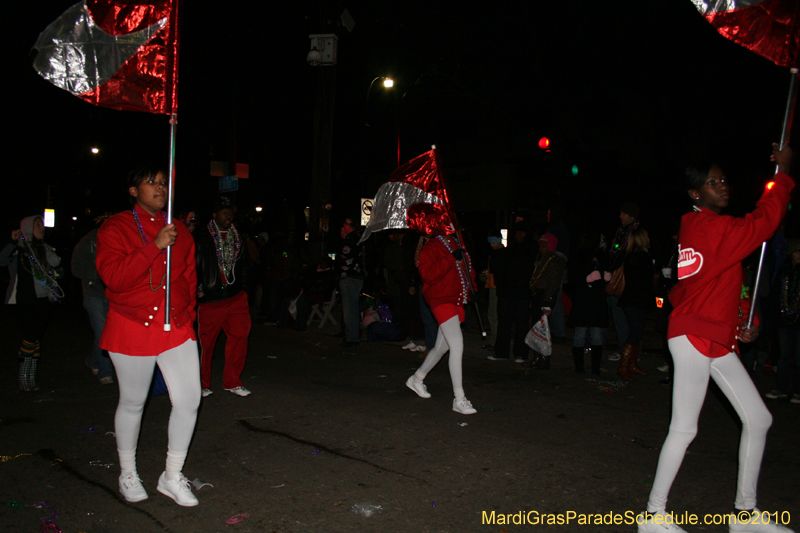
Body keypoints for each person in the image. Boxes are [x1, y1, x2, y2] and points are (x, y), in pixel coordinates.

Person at [636, 144, 795, 533]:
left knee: (758, 419)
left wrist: (745, 321)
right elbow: (762, 224)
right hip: (693, 334)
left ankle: (745, 514)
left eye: (723, 180)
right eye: (712, 182)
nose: (722, 186)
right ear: (695, 193)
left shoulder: (709, 231)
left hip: (712, 336)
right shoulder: (706, 227)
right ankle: (653, 515)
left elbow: (722, 285)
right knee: (685, 427)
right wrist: (783, 176)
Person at [96, 166, 201, 507]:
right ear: (132, 190)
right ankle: (128, 472)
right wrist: (155, 246)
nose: (159, 188)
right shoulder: (116, 227)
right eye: (151, 182)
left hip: (176, 325)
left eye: (163, 182)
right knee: (133, 401)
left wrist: (186, 314)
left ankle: (171, 475)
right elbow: (114, 278)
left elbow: (188, 278)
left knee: (189, 399)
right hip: (132, 324)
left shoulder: (181, 229)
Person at [405, 232, 478, 414]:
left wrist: (472, 289)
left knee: (441, 348)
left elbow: (467, 272)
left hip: (456, 301)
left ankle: (416, 378)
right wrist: (450, 258)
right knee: (457, 345)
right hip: (441, 300)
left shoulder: (457, 243)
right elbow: (428, 274)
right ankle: (459, 398)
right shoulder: (431, 247)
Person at [195, 196, 252, 398]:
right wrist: (199, 291)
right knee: (205, 344)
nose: (228, 216)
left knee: (239, 337)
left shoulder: (237, 236)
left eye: (230, 212)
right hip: (210, 300)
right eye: (224, 212)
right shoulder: (201, 236)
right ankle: (201, 384)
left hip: (236, 298)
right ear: (214, 215)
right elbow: (193, 267)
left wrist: (243, 289)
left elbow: (245, 264)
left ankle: (232, 381)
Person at [1, 215, 64, 391]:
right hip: (24, 299)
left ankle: (31, 377)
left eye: (42, 224)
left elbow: (57, 267)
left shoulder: (43, 249)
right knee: (30, 336)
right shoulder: (19, 250)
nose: (42, 227)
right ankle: (23, 375)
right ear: (28, 227)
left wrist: (49, 254)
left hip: (43, 298)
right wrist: (12, 242)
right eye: (37, 224)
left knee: (36, 338)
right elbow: (1, 260)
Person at [72, 226, 115, 385]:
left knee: (107, 331)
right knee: (103, 331)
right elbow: (75, 268)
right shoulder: (86, 242)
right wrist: (96, 274)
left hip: (111, 293)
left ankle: (93, 360)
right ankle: (105, 372)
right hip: (93, 294)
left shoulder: (113, 241)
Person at [615, 227, 655, 381]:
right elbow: (643, 281)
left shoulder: (635, 256)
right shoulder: (639, 257)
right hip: (635, 300)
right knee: (635, 332)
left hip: (635, 299)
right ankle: (623, 366)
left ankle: (630, 365)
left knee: (637, 332)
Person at [569, 231, 610, 374]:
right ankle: (579, 366)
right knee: (580, 333)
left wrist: (605, 277)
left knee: (596, 334)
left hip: (596, 300)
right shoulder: (579, 256)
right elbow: (573, 279)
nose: (603, 240)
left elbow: (604, 272)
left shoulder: (602, 255)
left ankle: (595, 367)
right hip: (583, 300)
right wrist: (587, 280)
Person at [765, 238, 800, 403]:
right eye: (797, 252)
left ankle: (798, 391)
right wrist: (774, 318)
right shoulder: (783, 272)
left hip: (799, 322)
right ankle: (782, 389)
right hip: (783, 321)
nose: (799, 255)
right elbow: (775, 296)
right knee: (784, 356)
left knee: (799, 357)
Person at [607, 201, 640, 361]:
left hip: (629, 282)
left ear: (631, 216)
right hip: (616, 279)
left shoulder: (637, 233)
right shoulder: (620, 231)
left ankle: (631, 353)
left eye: (624, 213)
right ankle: (624, 350)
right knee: (619, 318)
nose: (620, 216)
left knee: (631, 320)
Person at [337, 216, 366, 347]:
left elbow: (345, 259)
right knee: (352, 307)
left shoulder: (351, 240)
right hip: (357, 276)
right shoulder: (360, 238)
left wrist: (341, 271)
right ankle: (351, 334)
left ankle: (351, 337)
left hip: (350, 276)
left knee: (350, 308)